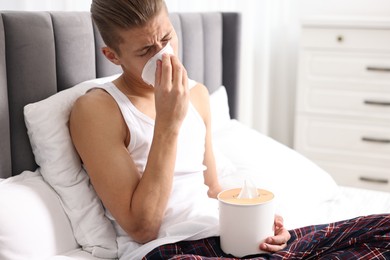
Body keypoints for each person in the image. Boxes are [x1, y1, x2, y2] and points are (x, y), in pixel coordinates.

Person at [70, 0, 390, 259]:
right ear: (112, 56)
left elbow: (212, 189)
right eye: (145, 51)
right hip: (171, 249)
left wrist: (258, 220)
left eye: (167, 39)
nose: (163, 56)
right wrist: (168, 123)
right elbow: (142, 228)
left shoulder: (195, 94)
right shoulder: (98, 110)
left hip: (224, 235)